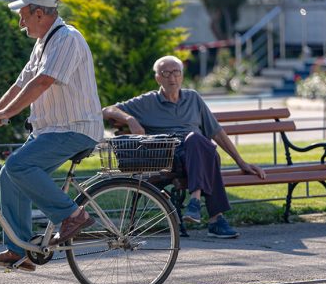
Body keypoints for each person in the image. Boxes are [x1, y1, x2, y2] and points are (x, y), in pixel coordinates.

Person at [0, 0, 104, 271]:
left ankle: (73, 215)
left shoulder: (67, 38)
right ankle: (20, 250)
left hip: (75, 128)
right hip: (51, 130)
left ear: (40, 13)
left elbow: (42, 83)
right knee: (8, 175)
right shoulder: (43, 44)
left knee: (18, 166)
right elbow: (21, 85)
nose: (20, 21)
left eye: (23, 15)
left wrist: (3, 114)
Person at [102, 55, 266, 238]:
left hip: (197, 154)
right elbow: (107, 110)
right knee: (206, 150)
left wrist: (241, 162)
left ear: (181, 76)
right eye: (166, 73)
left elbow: (216, 131)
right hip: (169, 157)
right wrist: (129, 119)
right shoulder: (147, 102)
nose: (172, 78)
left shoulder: (193, 98)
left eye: (176, 72)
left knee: (199, 142)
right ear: (158, 78)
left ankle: (196, 202)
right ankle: (215, 219)